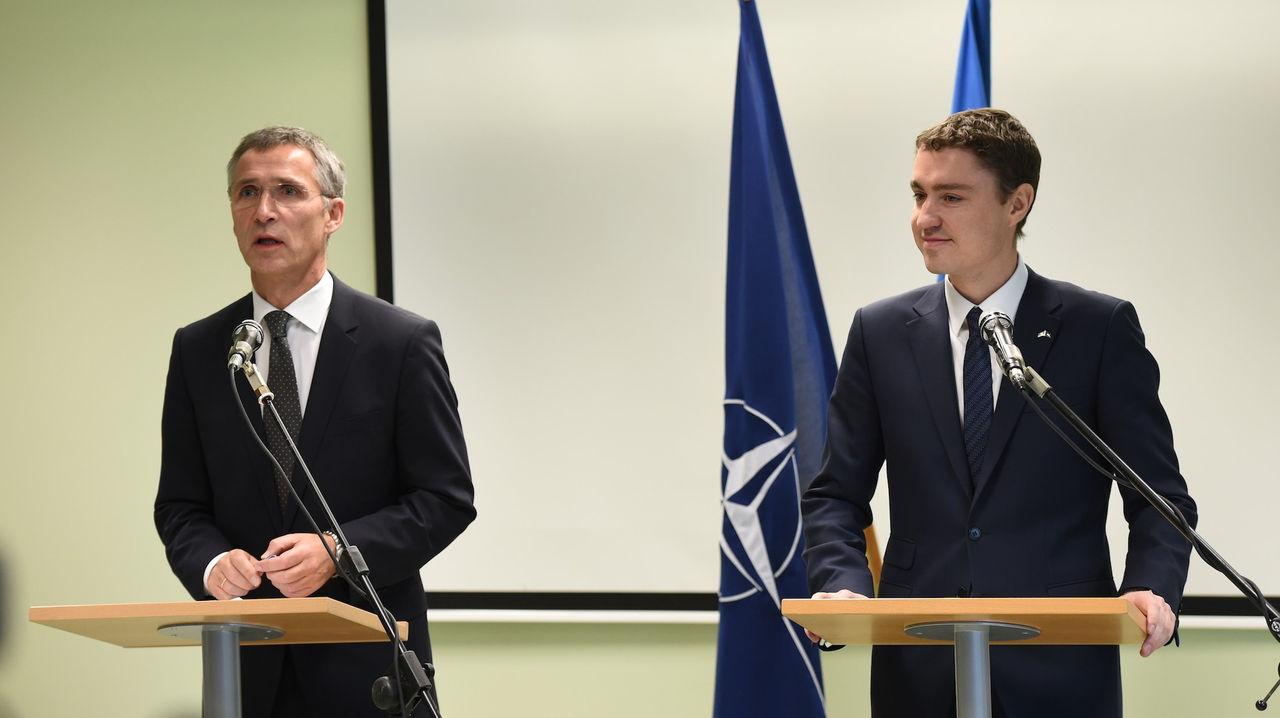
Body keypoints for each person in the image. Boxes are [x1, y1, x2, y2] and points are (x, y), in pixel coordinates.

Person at [800, 109, 1196, 718]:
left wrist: (1151, 584)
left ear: (1018, 203)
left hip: (1061, 666)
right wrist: (841, 583)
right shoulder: (879, 332)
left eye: (951, 196)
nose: (924, 217)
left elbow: (1158, 493)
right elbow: (835, 494)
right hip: (920, 664)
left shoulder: (1098, 328)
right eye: (919, 194)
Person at [154, 126, 476, 717]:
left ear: (333, 214)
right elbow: (180, 506)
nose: (264, 211)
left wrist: (338, 549)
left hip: (368, 672)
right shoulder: (201, 350)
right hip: (244, 670)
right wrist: (211, 562)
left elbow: (445, 498)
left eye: (287, 191)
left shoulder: (399, 342)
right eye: (246, 193)